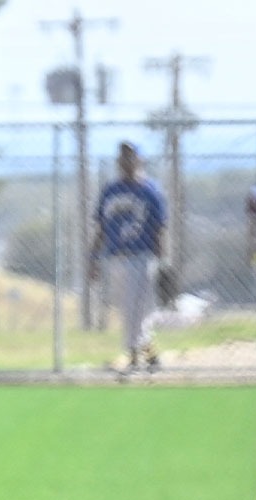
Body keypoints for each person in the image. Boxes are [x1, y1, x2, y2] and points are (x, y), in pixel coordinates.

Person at [89, 141, 168, 375]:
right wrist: (93, 258)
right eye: (123, 158)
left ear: (139, 160)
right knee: (127, 309)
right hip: (115, 257)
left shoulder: (150, 191)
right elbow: (101, 228)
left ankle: (134, 358)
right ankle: (150, 354)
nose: (126, 162)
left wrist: (162, 262)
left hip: (142, 256)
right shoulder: (111, 191)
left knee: (138, 309)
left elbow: (159, 228)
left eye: (131, 157)